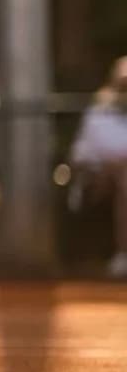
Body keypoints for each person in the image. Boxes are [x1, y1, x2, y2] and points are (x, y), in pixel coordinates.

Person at [69, 55, 127, 279]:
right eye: (123, 84)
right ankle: (124, 254)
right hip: (96, 180)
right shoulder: (99, 113)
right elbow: (91, 154)